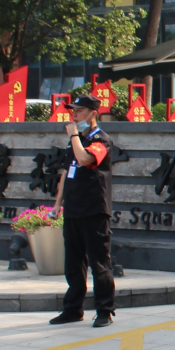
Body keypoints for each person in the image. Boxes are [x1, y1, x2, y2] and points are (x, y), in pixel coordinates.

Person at [50, 95, 116, 328]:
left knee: (99, 263)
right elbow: (66, 172)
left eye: (78, 110)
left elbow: (84, 159)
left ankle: (104, 311)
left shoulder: (101, 140)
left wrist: (74, 136)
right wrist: (58, 203)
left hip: (94, 210)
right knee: (73, 263)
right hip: (73, 209)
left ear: (92, 113)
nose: (74, 115)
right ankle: (73, 309)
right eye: (73, 110)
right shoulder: (76, 140)